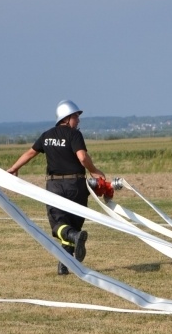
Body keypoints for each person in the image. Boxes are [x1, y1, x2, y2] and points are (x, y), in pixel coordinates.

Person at [8, 100, 105, 275]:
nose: (79, 120)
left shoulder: (47, 135)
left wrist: (14, 168)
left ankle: (66, 259)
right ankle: (64, 263)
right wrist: (95, 171)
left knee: (59, 225)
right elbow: (82, 158)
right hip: (76, 185)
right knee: (72, 224)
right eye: (76, 116)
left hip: (55, 185)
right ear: (67, 118)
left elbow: (30, 153)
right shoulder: (74, 135)